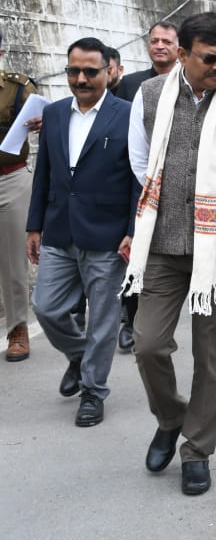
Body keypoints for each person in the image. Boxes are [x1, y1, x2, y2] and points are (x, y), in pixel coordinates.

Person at [126, 11, 216, 496]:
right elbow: (141, 161)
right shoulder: (149, 95)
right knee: (148, 344)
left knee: (210, 355)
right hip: (162, 241)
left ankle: (197, 450)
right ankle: (171, 418)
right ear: (183, 55)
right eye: (211, 59)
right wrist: (173, 206)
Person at [25, 37, 138, 427]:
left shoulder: (128, 115)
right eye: (74, 71)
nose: (81, 79)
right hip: (59, 230)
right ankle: (78, 355)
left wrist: (133, 230)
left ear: (109, 71)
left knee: (103, 320)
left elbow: (139, 179)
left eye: (91, 71)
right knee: (46, 307)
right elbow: (44, 172)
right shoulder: (55, 113)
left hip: (108, 237)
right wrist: (34, 225)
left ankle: (93, 391)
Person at [114, 21, 179, 352]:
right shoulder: (130, 84)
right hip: (136, 180)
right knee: (135, 252)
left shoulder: (190, 83)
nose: (159, 46)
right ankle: (132, 318)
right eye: (154, 40)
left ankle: (163, 322)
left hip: (178, 183)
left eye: (166, 40)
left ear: (179, 47)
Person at [0, 26, 38, 361]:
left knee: (13, 261)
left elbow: (44, 117)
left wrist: (43, 121)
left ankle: (17, 329)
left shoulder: (18, 87)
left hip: (9, 178)